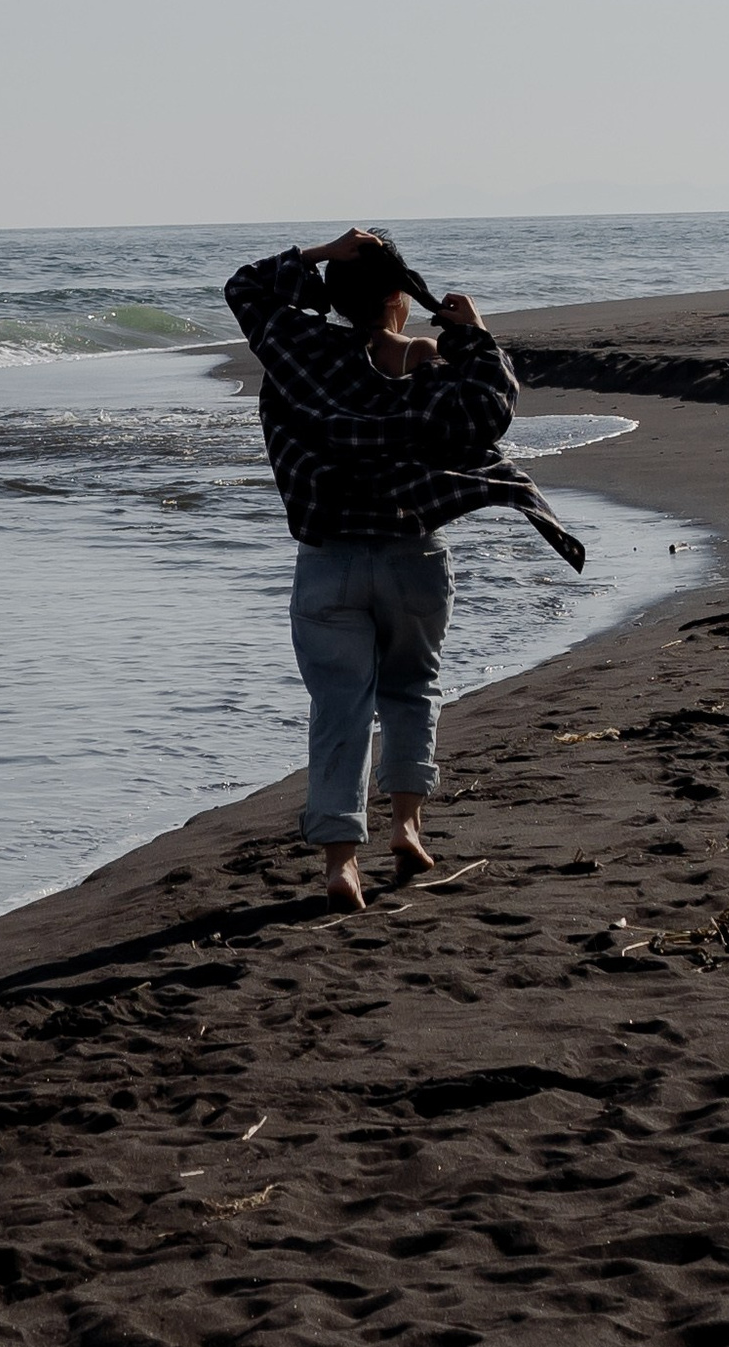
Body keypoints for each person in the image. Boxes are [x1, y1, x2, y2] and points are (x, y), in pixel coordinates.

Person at [222, 229, 585, 910]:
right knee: (413, 690)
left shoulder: (299, 352)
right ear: (399, 297)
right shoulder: (429, 370)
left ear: (334, 296)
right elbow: (491, 408)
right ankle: (407, 826)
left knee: (340, 707)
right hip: (412, 555)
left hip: (328, 560)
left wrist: (321, 254)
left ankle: (339, 863)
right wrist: (474, 333)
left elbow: (243, 288)